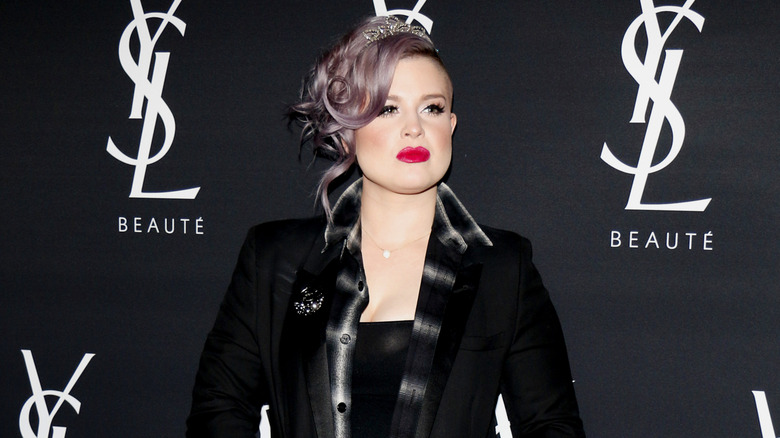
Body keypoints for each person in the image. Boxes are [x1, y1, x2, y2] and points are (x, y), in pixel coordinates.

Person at [187, 15, 585, 438]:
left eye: (432, 108)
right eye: (388, 108)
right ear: (346, 132)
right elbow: (219, 407)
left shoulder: (504, 268)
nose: (414, 127)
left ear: (451, 126)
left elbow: (552, 425)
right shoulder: (272, 258)